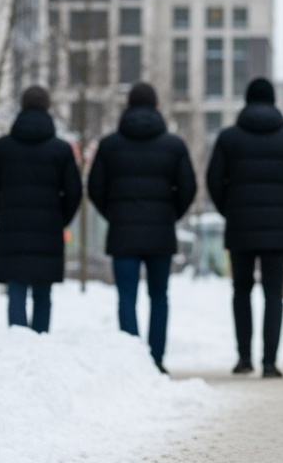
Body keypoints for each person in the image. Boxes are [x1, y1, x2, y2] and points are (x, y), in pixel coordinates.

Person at [207, 77, 283, 379]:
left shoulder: (228, 138)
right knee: (273, 294)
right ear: (273, 102)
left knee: (241, 291)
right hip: (277, 230)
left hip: (240, 227)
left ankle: (244, 358)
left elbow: (214, 180)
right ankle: (269, 362)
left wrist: (229, 210)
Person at [88, 82, 197, 374]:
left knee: (126, 296)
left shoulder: (109, 145)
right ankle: (156, 359)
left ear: (127, 107)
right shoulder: (174, 145)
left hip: (123, 233)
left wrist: (114, 214)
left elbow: (95, 188)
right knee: (159, 296)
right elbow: (188, 187)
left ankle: (131, 361)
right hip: (161, 233)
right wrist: (170, 214)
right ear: (157, 107)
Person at [0, 86, 83, 334]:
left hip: (12, 229)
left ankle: (18, 345)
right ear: (48, 108)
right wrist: (60, 220)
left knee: (15, 290)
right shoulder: (61, 150)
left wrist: (2, 215)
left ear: (22, 107)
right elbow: (75, 192)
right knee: (42, 293)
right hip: (48, 230)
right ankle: (40, 345)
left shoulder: (2, 147)